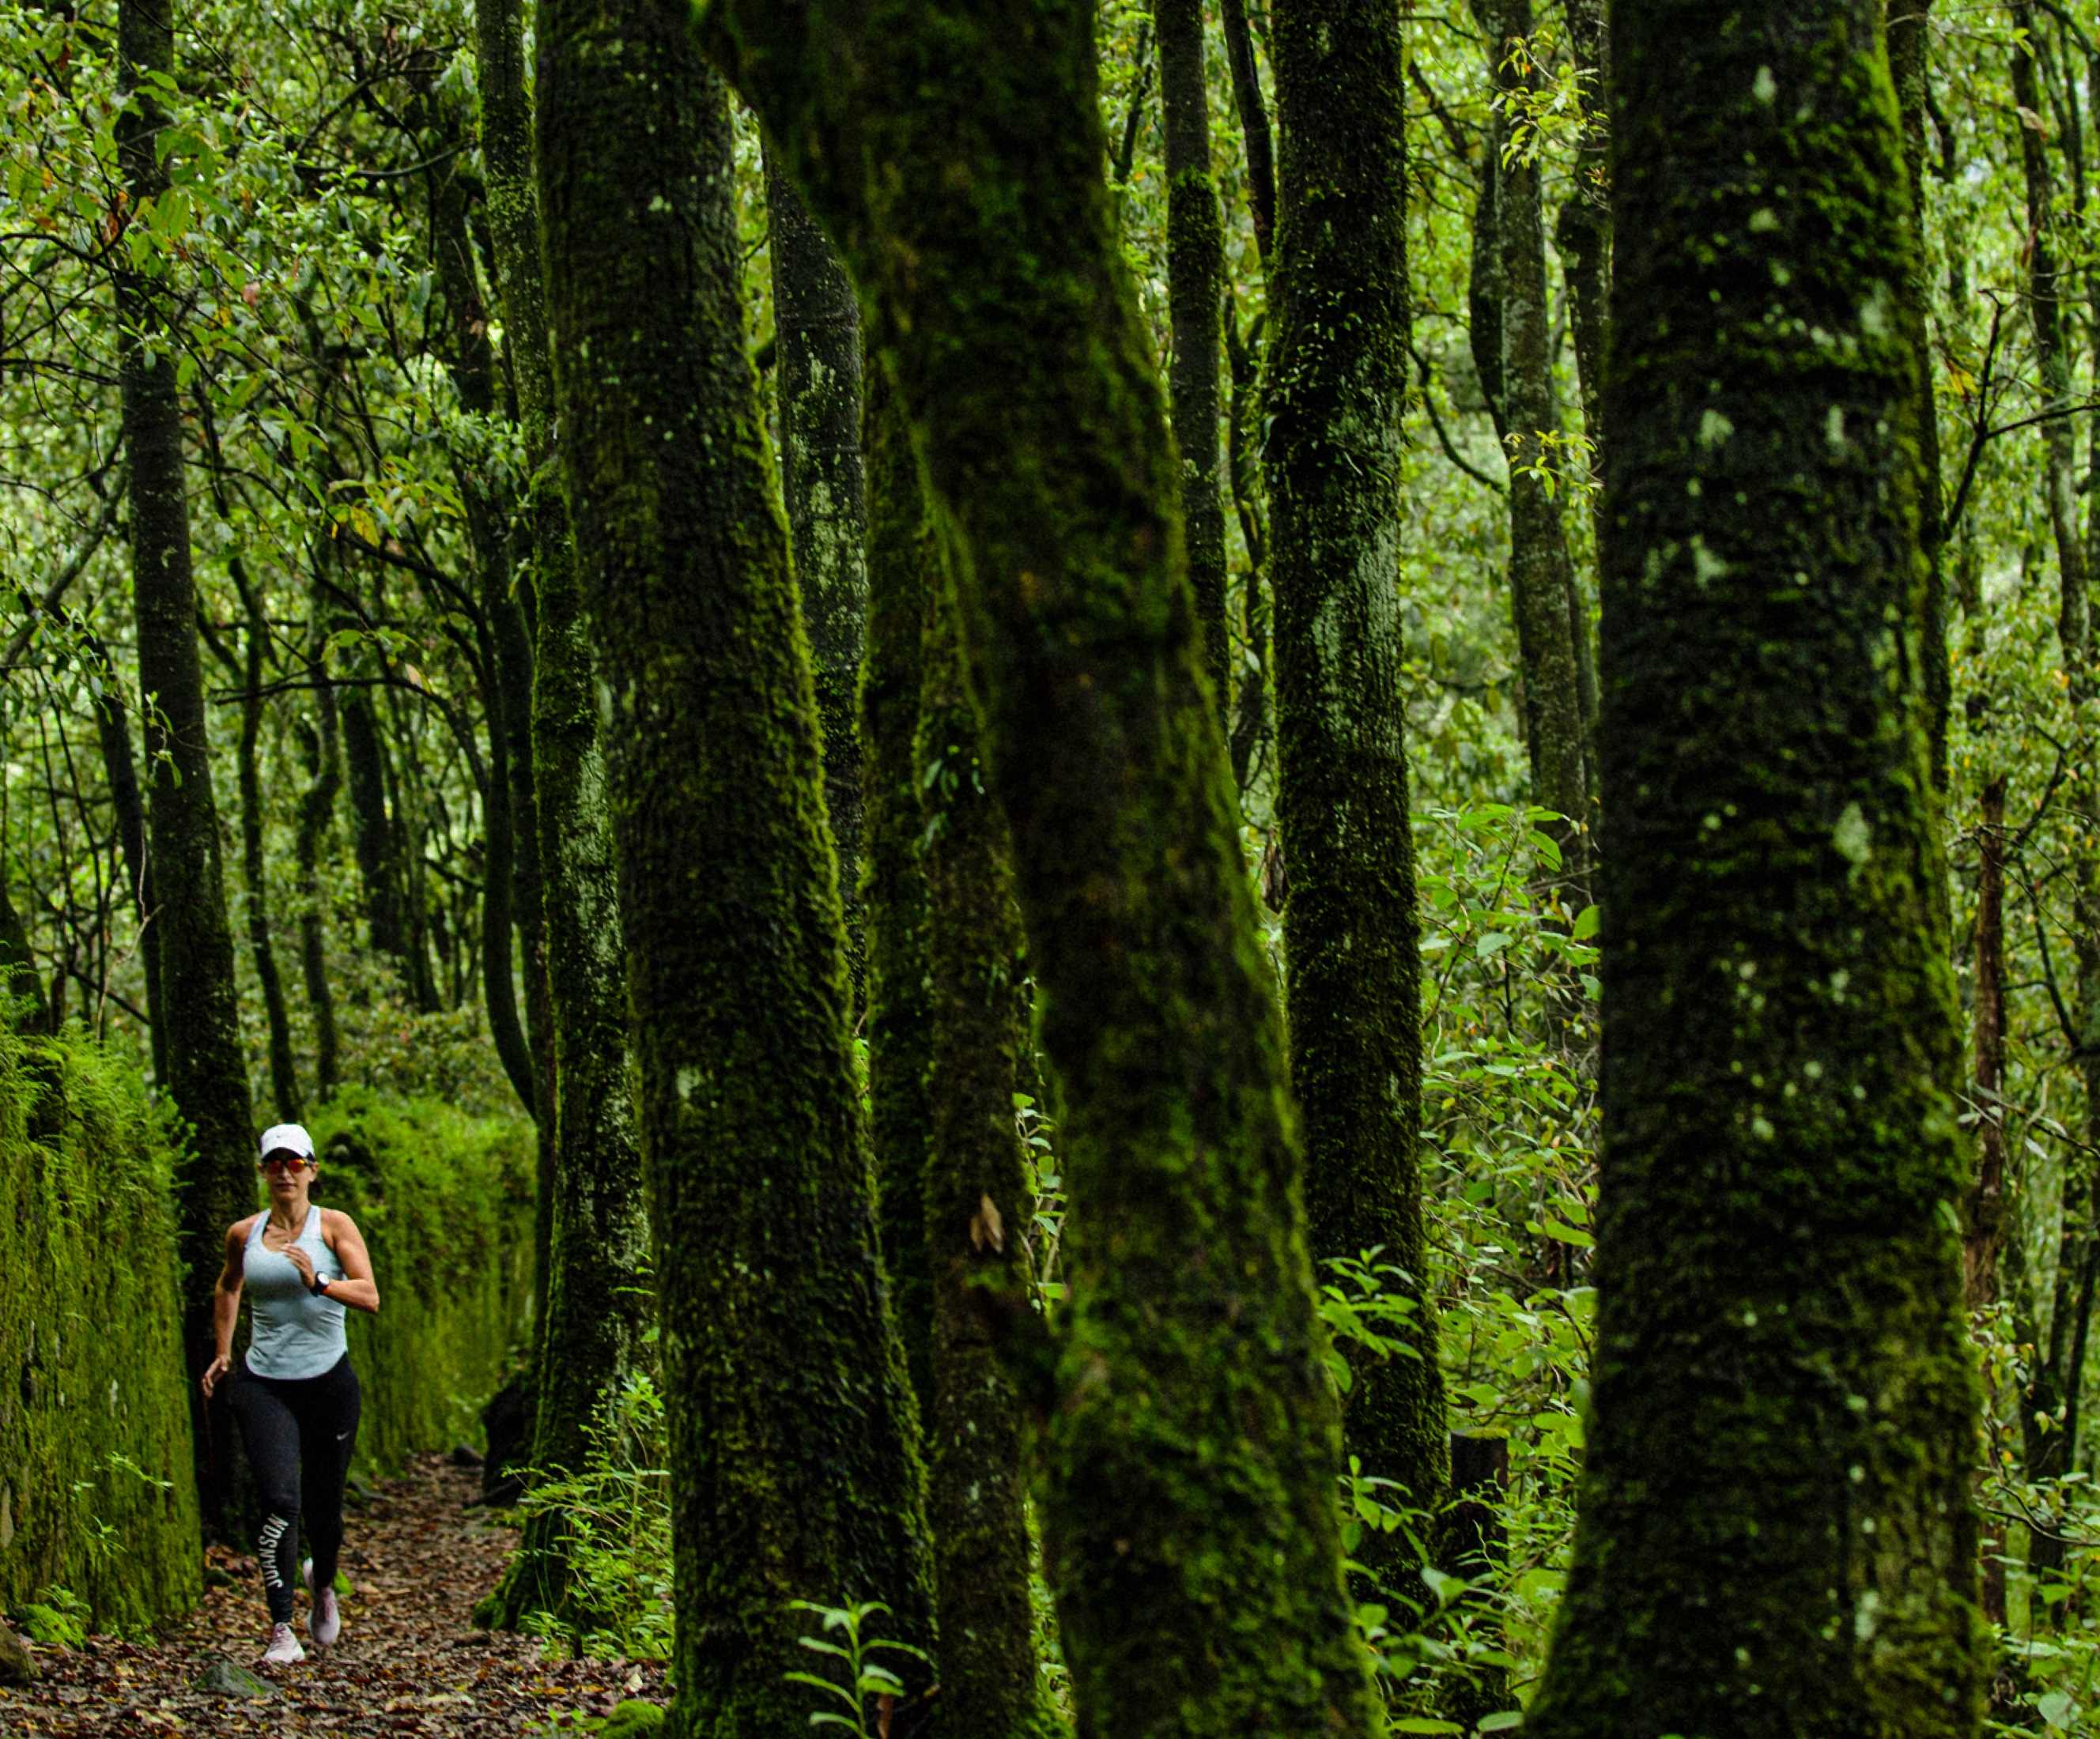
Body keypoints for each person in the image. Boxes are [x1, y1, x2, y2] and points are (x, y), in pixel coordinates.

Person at [201, 1123, 380, 1665]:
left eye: (294, 1163)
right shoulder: (244, 1234)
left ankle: (321, 1584)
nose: (284, 1172)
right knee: (280, 1500)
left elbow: (370, 1296)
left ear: (312, 1170)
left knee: (325, 1508)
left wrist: (319, 1284)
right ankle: (281, 1626)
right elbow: (229, 1285)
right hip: (264, 1382)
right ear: (262, 1171)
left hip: (328, 1383)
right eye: (274, 1163)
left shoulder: (334, 1227)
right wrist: (226, 1350)